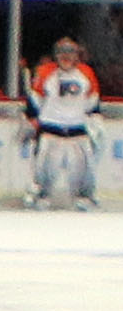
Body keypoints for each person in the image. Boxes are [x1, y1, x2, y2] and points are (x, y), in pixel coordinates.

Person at [23, 34, 102, 210]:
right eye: (61, 52)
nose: (66, 56)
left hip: (77, 131)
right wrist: (32, 120)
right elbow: (35, 100)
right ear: (55, 54)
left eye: (70, 52)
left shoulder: (86, 73)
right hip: (50, 130)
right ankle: (39, 194)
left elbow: (93, 102)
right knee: (42, 166)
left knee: (85, 167)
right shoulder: (45, 71)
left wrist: (95, 124)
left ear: (77, 54)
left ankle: (86, 196)